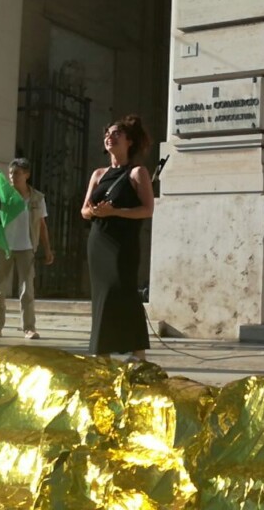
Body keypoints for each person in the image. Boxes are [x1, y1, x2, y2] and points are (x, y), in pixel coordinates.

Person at [81, 114, 155, 362]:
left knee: (123, 291)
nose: (109, 138)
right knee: (102, 295)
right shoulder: (98, 174)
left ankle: (137, 353)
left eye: (116, 134)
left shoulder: (137, 172)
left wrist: (115, 212)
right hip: (98, 241)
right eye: (107, 134)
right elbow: (84, 211)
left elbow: (147, 210)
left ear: (129, 142)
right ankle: (101, 352)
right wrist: (95, 211)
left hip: (123, 244)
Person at [0, 158, 54, 339]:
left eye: (16, 173)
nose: (12, 177)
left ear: (26, 175)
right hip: (2, 246)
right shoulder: (2, 194)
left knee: (27, 289)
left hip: (26, 246)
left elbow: (42, 224)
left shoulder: (37, 198)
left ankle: (29, 328)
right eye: (10, 173)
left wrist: (47, 249)